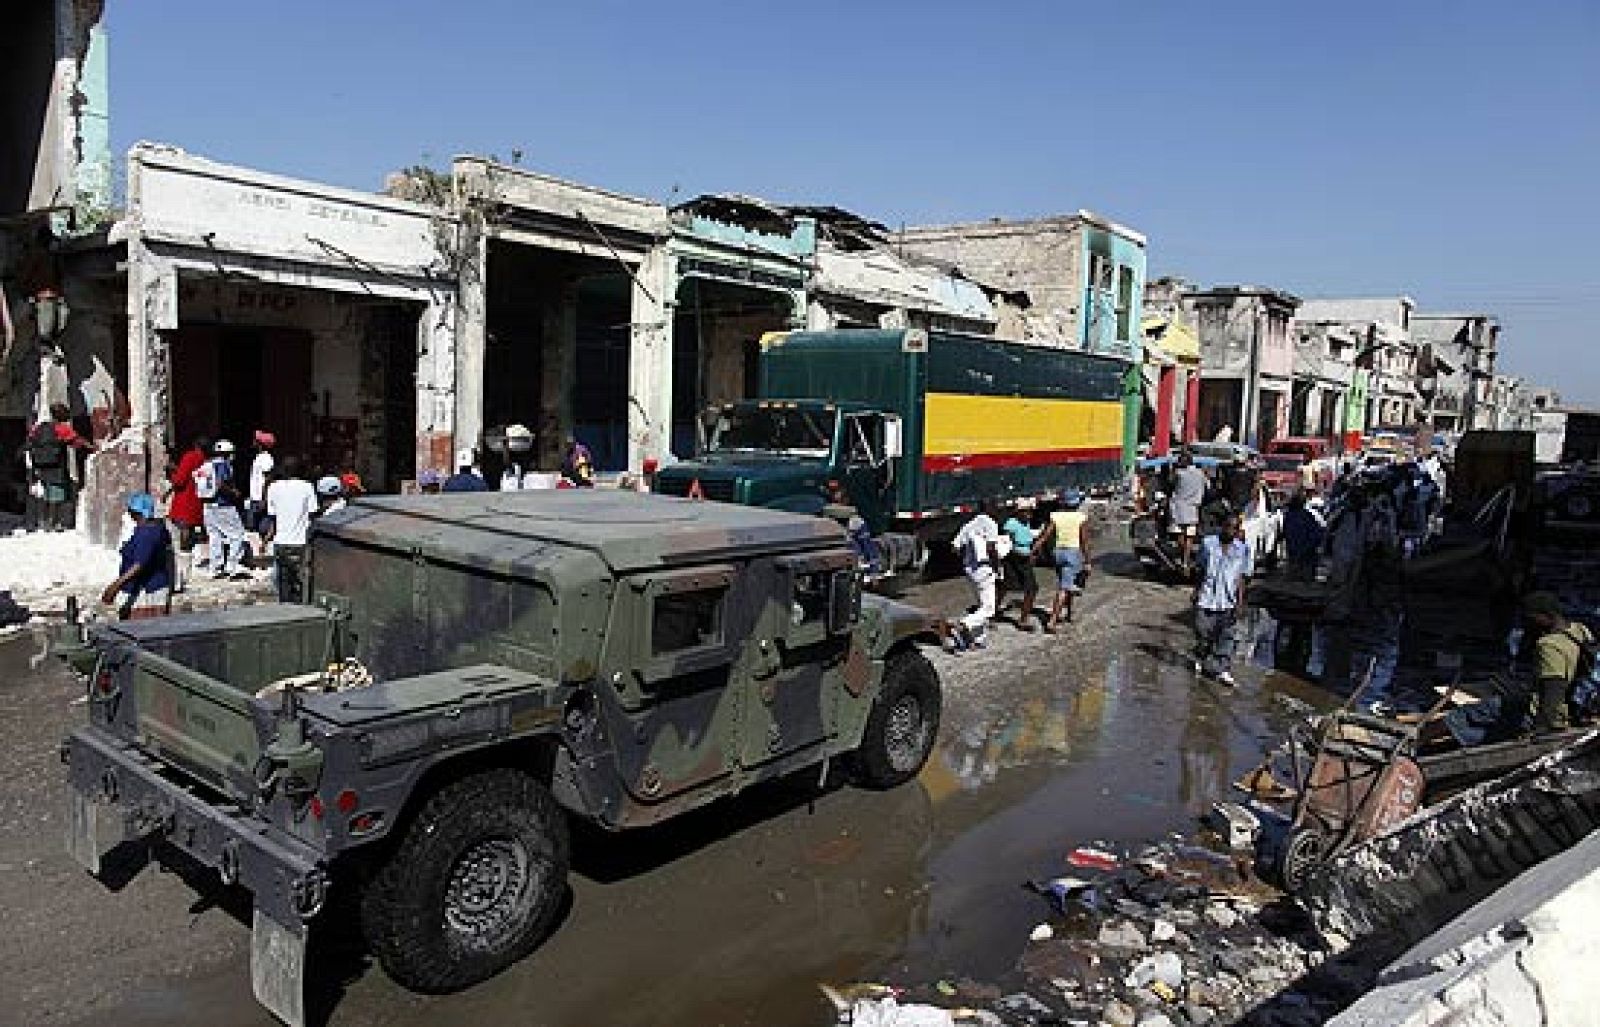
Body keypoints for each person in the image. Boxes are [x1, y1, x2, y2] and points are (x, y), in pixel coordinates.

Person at [1193, 513, 1253, 687]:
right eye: (1227, 526)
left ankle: (1223, 669)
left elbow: (1243, 578)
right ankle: (1202, 656)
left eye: (1234, 528)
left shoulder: (1242, 550)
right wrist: (1196, 590)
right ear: (1222, 526)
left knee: (1227, 635)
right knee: (1203, 631)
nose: (1230, 531)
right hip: (1207, 597)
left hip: (1228, 599)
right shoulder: (1208, 544)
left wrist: (1240, 602)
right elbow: (1201, 569)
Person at [1524, 592, 1597, 733]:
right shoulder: (1580, 630)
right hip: (1573, 708)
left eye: (1530, 618)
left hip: (1543, 717)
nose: (1526, 623)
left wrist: (1539, 730)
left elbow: (1553, 690)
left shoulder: (1549, 645)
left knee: (1474, 713)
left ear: (1544, 615)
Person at [101, 492, 172, 620]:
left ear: (136, 513)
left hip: (146, 593)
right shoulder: (157, 527)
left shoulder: (146, 534)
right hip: (154, 587)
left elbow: (139, 564)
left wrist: (115, 586)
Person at [25, 402, 91, 530]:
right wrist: (93, 447)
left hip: (39, 466)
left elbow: (30, 442)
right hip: (56, 466)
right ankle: (54, 523)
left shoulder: (38, 427)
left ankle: (42, 521)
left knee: (44, 494)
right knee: (57, 495)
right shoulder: (62, 428)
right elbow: (77, 442)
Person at [263, 456, 318, 603]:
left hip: (281, 543)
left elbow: (272, 519)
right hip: (301, 543)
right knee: (301, 585)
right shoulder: (307, 487)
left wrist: (266, 539)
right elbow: (313, 515)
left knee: (283, 584)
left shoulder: (273, 487)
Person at [949, 501, 1003, 651]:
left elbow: (955, 547)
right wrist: (997, 565)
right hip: (984, 569)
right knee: (989, 609)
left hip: (970, 570)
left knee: (981, 604)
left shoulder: (969, 525)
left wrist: (968, 555)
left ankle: (977, 640)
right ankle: (964, 624)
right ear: (989, 508)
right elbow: (991, 547)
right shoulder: (990, 524)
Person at [196, 438, 249, 579]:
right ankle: (233, 566)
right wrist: (234, 493)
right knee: (237, 534)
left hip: (207, 505)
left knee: (215, 536)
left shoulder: (207, 465)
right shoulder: (223, 465)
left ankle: (215, 567)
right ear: (226, 453)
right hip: (223, 505)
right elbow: (220, 483)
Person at [1038, 489, 1090, 630]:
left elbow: (1045, 535)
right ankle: (1052, 621)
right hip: (1072, 553)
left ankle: (1068, 614)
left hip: (1058, 552)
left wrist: (1035, 551)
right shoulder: (1081, 518)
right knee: (1064, 587)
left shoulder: (1055, 516)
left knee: (1067, 583)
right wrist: (1088, 560)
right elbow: (1084, 541)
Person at [167, 435, 210, 590]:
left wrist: (173, 471)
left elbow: (180, 480)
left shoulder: (190, 456)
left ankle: (185, 569)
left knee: (183, 534)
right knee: (191, 530)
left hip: (185, 499)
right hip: (197, 501)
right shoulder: (206, 461)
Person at [999, 501, 1042, 630]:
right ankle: (994, 612)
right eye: (1026, 511)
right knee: (1010, 586)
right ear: (1019, 512)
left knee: (1027, 588)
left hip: (1025, 559)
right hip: (1015, 560)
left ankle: (1023, 618)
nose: (1029, 514)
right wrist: (1023, 555)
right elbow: (1007, 545)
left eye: (1030, 511)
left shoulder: (1026, 523)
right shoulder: (1011, 524)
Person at [1169, 452, 1208, 574]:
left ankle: (1182, 558)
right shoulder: (1200, 473)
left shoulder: (1179, 473)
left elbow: (1170, 483)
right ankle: (1186, 560)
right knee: (1189, 537)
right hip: (1193, 508)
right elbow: (1206, 487)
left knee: (1180, 534)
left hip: (1178, 508)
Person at [1281, 491, 1324, 579]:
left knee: (1298, 577)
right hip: (1303, 552)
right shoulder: (1308, 515)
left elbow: (1317, 533)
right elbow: (1319, 532)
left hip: (1303, 552)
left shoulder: (1295, 516)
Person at [246, 429, 276, 539]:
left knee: (260, 527)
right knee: (253, 527)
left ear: (260, 444)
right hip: (256, 497)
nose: (253, 442)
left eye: (256, 440)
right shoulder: (259, 457)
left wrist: (264, 499)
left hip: (260, 498)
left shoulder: (266, 458)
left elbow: (268, 479)